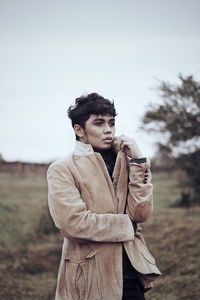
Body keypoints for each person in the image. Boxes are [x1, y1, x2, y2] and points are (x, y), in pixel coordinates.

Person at [47, 93, 161, 300]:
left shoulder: (125, 162)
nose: (108, 130)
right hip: (91, 277)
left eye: (111, 123)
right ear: (79, 130)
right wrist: (127, 227)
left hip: (131, 273)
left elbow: (140, 214)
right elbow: (74, 224)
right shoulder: (62, 169)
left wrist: (138, 162)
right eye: (99, 123)